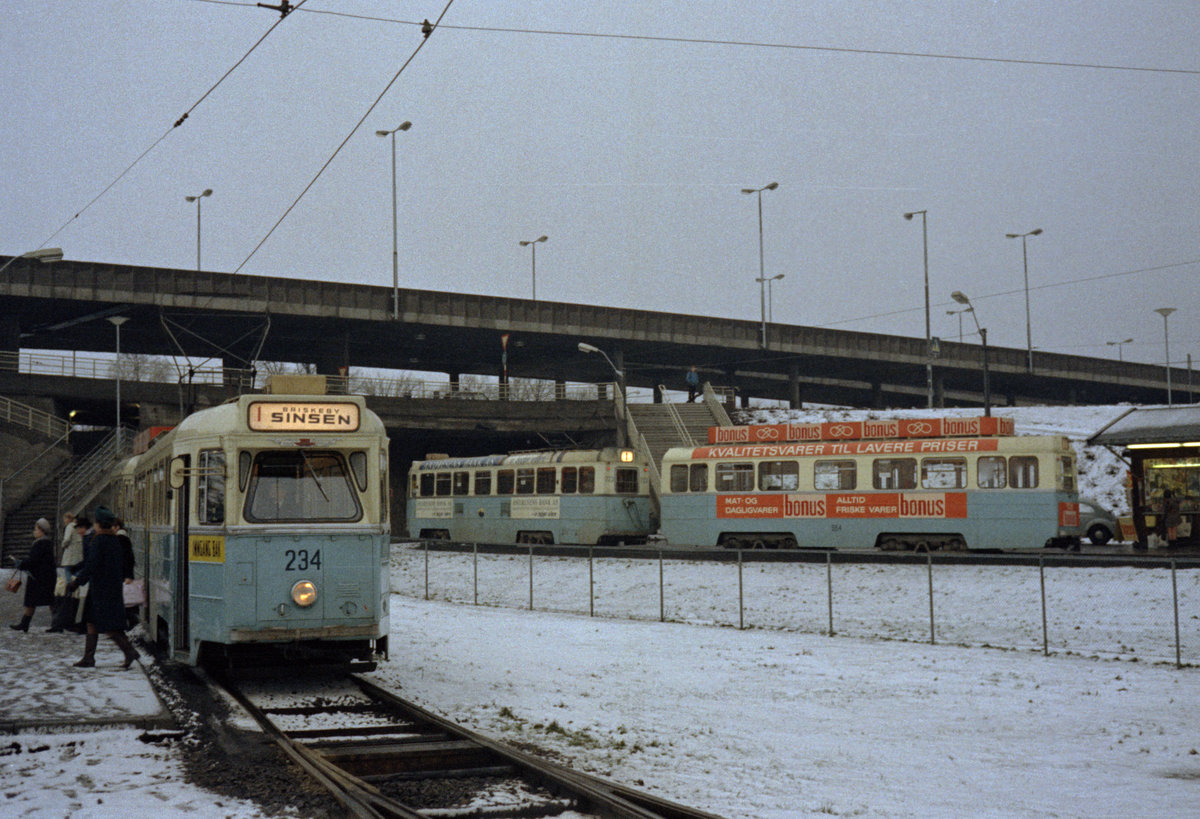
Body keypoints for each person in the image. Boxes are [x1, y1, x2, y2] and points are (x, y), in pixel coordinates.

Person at [65, 506, 139, 669]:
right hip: (110, 587)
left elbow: (92, 565)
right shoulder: (114, 540)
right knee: (92, 621)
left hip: (101, 589)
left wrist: (76, 582)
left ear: (99, 524)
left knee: (108, 625)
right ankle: (88, 658)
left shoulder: (99, 540)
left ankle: (129, 651)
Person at [9, 518, 57, 631]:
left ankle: (56, 624)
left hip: (39, 577)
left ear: (42, 530)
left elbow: (34, 560)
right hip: (44, 576)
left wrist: (22, 564)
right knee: (41, 600)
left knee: (41, 600)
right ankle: (26, 623)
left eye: (36, 529)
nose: (34, 532)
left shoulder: (41, 543)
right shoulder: (45, 543)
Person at [48, 512, 85, 632]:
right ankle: (74, 591)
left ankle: (69, 593)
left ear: (67, 519)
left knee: (68, 577)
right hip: (78, 556)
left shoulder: (70, 527)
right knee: (75, 575)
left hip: (70, 555)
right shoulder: (77, 526)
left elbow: (67, 539)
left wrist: (63, 545)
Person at [115, 518, 139, 629]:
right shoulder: (121, 538)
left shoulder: (121, 539)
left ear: (116, 527)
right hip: (123, 574)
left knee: (126, 602)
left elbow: (128, 558)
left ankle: (129, 625)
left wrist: (128, 576)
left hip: (123, 575)